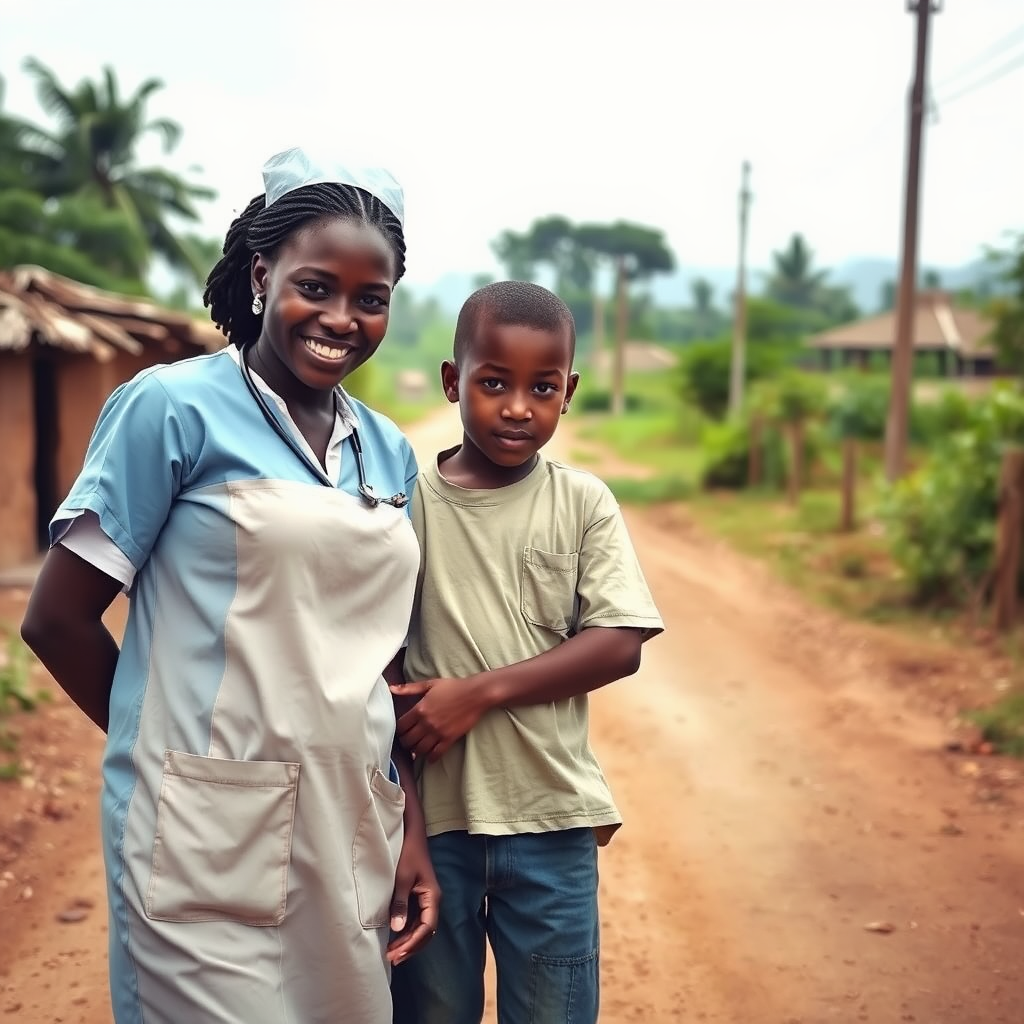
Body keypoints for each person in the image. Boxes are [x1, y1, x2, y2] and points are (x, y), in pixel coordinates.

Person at [20, 146, 440, 1024]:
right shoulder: (170, 408)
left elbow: (383, 662)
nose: (342, 317)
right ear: (260, 273)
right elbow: (55, 620)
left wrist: (411, 828)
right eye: (315, 286)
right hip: (202, 838)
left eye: (372, 299)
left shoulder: (388, 449)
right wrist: (183, 767)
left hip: (350, 823)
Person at [388, 281, 664, 1024]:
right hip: (435, 829)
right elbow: (377, 670)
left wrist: (477, 692)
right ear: (454, 382)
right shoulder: (403, 505)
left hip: (551, 824)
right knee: (431, 1012)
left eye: (542, 387)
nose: (518, 407)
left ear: (568, 392)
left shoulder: (582, 504)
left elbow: (619, 642)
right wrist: (405, 823)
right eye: (493, 383)